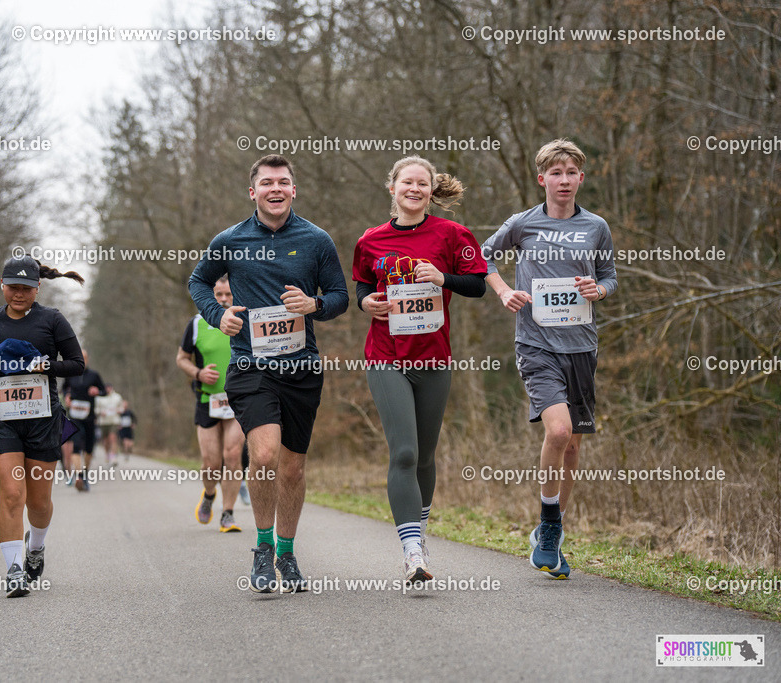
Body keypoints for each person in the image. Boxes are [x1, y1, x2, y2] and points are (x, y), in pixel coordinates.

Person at [188, 154, 349, 593]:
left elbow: (340, 295)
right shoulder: (230, 240)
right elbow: (198, 282)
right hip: (250, 365)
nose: (274, 189)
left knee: (292, 470)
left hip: (301, 366)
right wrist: (218, 315)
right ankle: (262, 547)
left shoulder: (316, 240)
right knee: (262, 456)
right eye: (266, 183)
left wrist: (314, 304)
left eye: (282, 182)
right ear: (253, 191)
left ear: (293, 190)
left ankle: (287, 552)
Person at [481, 139, 617, 579]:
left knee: (572, 445)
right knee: (558, 430)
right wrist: (504, 291)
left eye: (571, 172)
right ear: (542, 179)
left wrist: (599, 290)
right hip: (536, 344)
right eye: (555, 173)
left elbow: (609, 276)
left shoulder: (596, 226)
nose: (564, 180)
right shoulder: (523, 223)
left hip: (582, 346)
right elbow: (480, 257)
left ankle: (552, 533)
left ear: (581, 178)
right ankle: (549, 520)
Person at [353, 157, 488, 584]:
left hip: (433, 357)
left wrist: (443, 278)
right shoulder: (371, 239)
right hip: (386, 355)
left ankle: (419, 534)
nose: (414, 189)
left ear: (431, 190)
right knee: (405, 453)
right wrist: (366, 302)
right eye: (407, 182)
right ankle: (412, 551)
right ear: (392, 187)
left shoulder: (452, 234)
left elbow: (478, 284)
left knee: (426, 457)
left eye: (422, 183)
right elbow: (362, 284)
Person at [0, 255, 85, 597]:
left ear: (37, 288)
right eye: (13, 287)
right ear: (2, 286)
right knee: (12, 493)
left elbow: (76, 364)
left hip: (42, 419)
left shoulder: (52, 320)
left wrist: (46, 367)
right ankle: (14, 570)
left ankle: (36, 547)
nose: (19, 294)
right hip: (1, 418)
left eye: (26, 288)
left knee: (39, 503)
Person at [176, 275, 244, 534]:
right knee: (211, 464)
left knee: (233, 456)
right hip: (208, 399)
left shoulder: (245, 319)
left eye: (228, 294)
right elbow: (181, 358)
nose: (224, 299)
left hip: (239, 400)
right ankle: (209, 493)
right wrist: (198, 373)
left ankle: (228, 513)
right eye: (219, 295)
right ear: (211, 296)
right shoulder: (196, 323)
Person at [61, 350, 105, 491]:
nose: (83, 360)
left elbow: (104, 391)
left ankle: (84, 474)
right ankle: (79, 476)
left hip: (89, 416)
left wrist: (97, 391)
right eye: (80, 357)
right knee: (76, 444)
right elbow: (64, 389)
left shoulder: (94, 375)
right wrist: (67, 396)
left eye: (85, 358)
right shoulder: (70, 374)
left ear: (88, 359)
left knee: (89, 448)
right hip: (74, 416)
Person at [94, 385, 124, 466]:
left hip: (114, 421)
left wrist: (118, 410)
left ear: (111, 388)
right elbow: (96, 409)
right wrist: (101, 412)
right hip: (103, 422)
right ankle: (107, 453)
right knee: (106, 440)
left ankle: (113, 457)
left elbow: (122, 408)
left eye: (109, 388)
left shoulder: (117, 397)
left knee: (113, 438)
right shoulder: (99, 398)